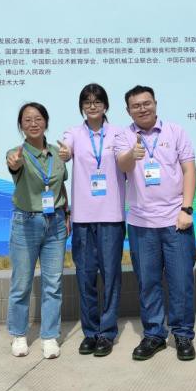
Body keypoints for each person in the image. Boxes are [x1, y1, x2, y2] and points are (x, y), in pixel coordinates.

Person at [115, 86, 196, 361]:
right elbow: (122, 165)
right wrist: (132, 154)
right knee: (148, 282)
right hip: (141, 223)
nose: (142, 108)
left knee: (181, 282)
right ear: (128, 110)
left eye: (146, 103)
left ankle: (183, 334)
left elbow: (189, 169)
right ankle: (154, 335)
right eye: (136, 105)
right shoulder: (123, 136)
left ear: (155, 104)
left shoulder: (176, 132)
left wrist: (187, 208)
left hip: (176, 221)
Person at [59, 84, 125, 357]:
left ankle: (107, 333)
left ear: (105, 105)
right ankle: (90, 332)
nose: (92, 106)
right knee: (85, 277)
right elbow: (65, 149)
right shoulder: (74, 133)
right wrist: (65, 153)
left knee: (110, 276)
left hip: (111, 216)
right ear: (81, 107)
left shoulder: (118, 133)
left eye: (97, 101)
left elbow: (125, 159)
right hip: (83, 218)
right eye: (87, 102)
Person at [6, 102, 70, 359]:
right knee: (21, 283)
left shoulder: (57, 153)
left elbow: (60, 187)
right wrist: (15, 163)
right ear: (21, 126)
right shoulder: (16, 153)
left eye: (38, 118)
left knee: (53, 283)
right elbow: (13, 165)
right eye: (27, 120)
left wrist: (67, 213)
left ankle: (50, 336)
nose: (33, 123)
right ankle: (19, 335)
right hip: (26, 223)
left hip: (56, 223)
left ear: (46, 122)